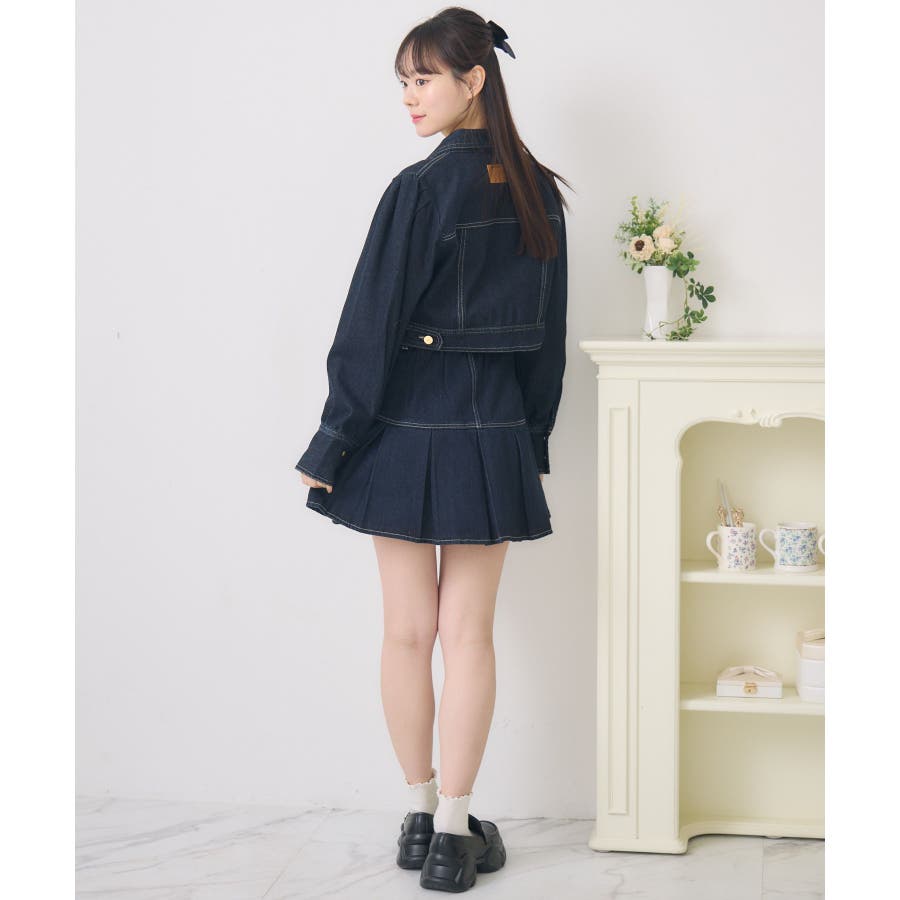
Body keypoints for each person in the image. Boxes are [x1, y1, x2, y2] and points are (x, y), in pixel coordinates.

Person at [294, 7, 571, 892]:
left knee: (407, 632)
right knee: (469, 635)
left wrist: (334, 440)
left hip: (405, 434)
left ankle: (418, 819)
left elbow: (367, 328)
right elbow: (547, 347)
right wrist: (529, 441)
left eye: (424, 79)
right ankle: (454, 833)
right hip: (492, 436)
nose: (410, 97)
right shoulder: (538, 191)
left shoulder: (416, 190)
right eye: (405, 82)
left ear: (473, 79)